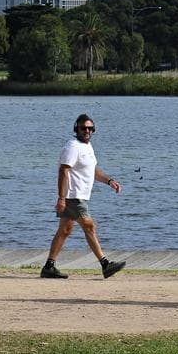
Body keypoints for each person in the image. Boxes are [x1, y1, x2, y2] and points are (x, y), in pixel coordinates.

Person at [40, 113, 126, 279]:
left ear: (93, 130)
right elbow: (63, 170)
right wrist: (61, 198)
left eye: (90, 128)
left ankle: (49, 267)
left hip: (78, 196)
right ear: (76, 129)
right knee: (89, 226)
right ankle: (105, 264)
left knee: (64, 230)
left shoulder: (87, 147)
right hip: (73, 195)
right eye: (83, 128)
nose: (87, 130)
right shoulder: (72, 146)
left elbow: (92, 171)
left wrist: (109, 181)